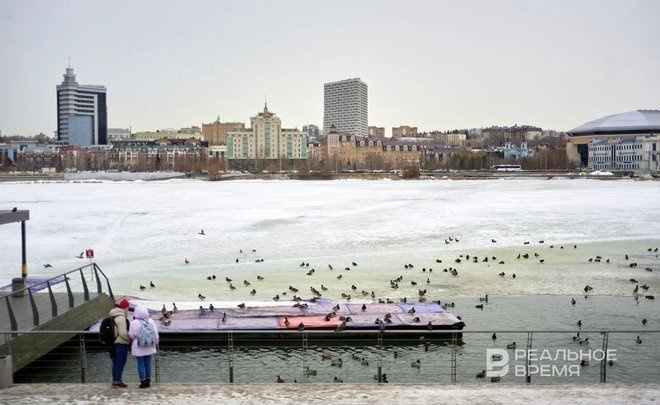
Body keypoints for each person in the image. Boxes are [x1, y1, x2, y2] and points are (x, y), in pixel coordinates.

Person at [128, 305, 159, 388]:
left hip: (139, 346)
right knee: (148, 363)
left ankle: (143, 382)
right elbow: (155, 334)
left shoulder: (134, 323)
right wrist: (155, 342)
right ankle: (148, 381)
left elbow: (131, 335)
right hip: (149, 345)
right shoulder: (151, 321)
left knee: (140, 363)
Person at [110, 299, 131, 388]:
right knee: (120, 362)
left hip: (114, 342)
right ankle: (118, 381)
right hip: (121, 343)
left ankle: (115, 380)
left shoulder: (114, 315)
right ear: (126, 307)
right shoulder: (121, 318)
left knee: (115, 362)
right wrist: (129, 340)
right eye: (128, 308)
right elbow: (123, 333)